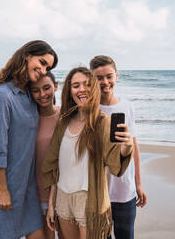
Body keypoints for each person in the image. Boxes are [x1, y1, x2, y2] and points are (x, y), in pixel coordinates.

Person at [0, 40, 58, 239]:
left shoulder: (28, 94)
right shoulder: (3, 96)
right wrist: (3, 190)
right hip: (6, 181)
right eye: (41, 62)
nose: (42, 70)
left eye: (47, 67)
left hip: (27, 182)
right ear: (26, 55)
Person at [42, 66, 134, 239]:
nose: (82, 89)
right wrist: (51, 204)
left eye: (87, 84)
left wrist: (127, 147)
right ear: (70, 91)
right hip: (62, 198)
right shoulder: (63, 122)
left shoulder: (103, 123)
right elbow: (55, 167)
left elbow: (115, 162)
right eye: (76, 85)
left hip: (89, 201)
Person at [90, 55, 147, 239]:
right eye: (99, 78)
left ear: (117, 76)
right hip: (98, 192)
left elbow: (134, 148)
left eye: (109, 76)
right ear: (92, 80)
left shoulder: (127, 107)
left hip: (124, 190)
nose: (105, 82)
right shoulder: (90, 110)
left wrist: (138, 184)